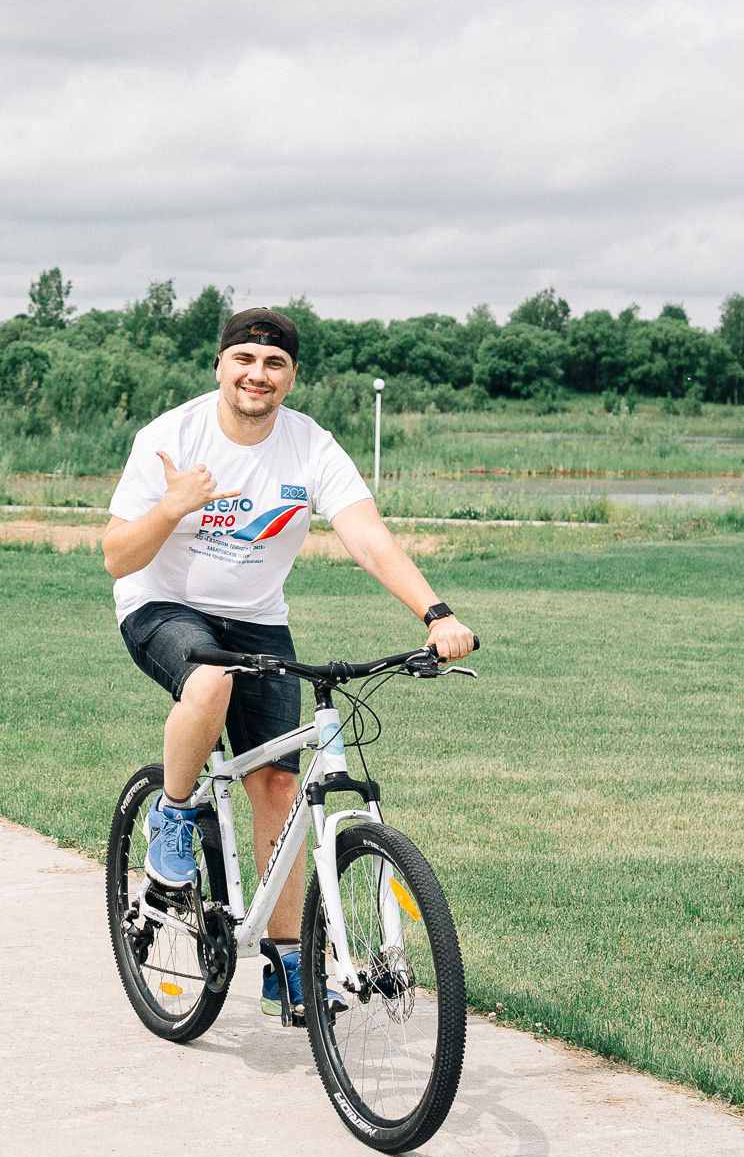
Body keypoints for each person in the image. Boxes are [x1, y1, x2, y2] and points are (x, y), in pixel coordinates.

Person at [104, 307, 476, 1021]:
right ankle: (173, 820)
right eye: (244, 358)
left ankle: (290, 965)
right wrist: (173, 505)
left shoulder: (310, 446)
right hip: (162, 604)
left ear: (291, 376)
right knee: (207, 683)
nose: (257, 374)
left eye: (274, 364)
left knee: (278, 782)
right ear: (220, 365)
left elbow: (368, 537)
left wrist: (436, 613)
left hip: (257, 619)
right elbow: (119, 554)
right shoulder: (172, 437)